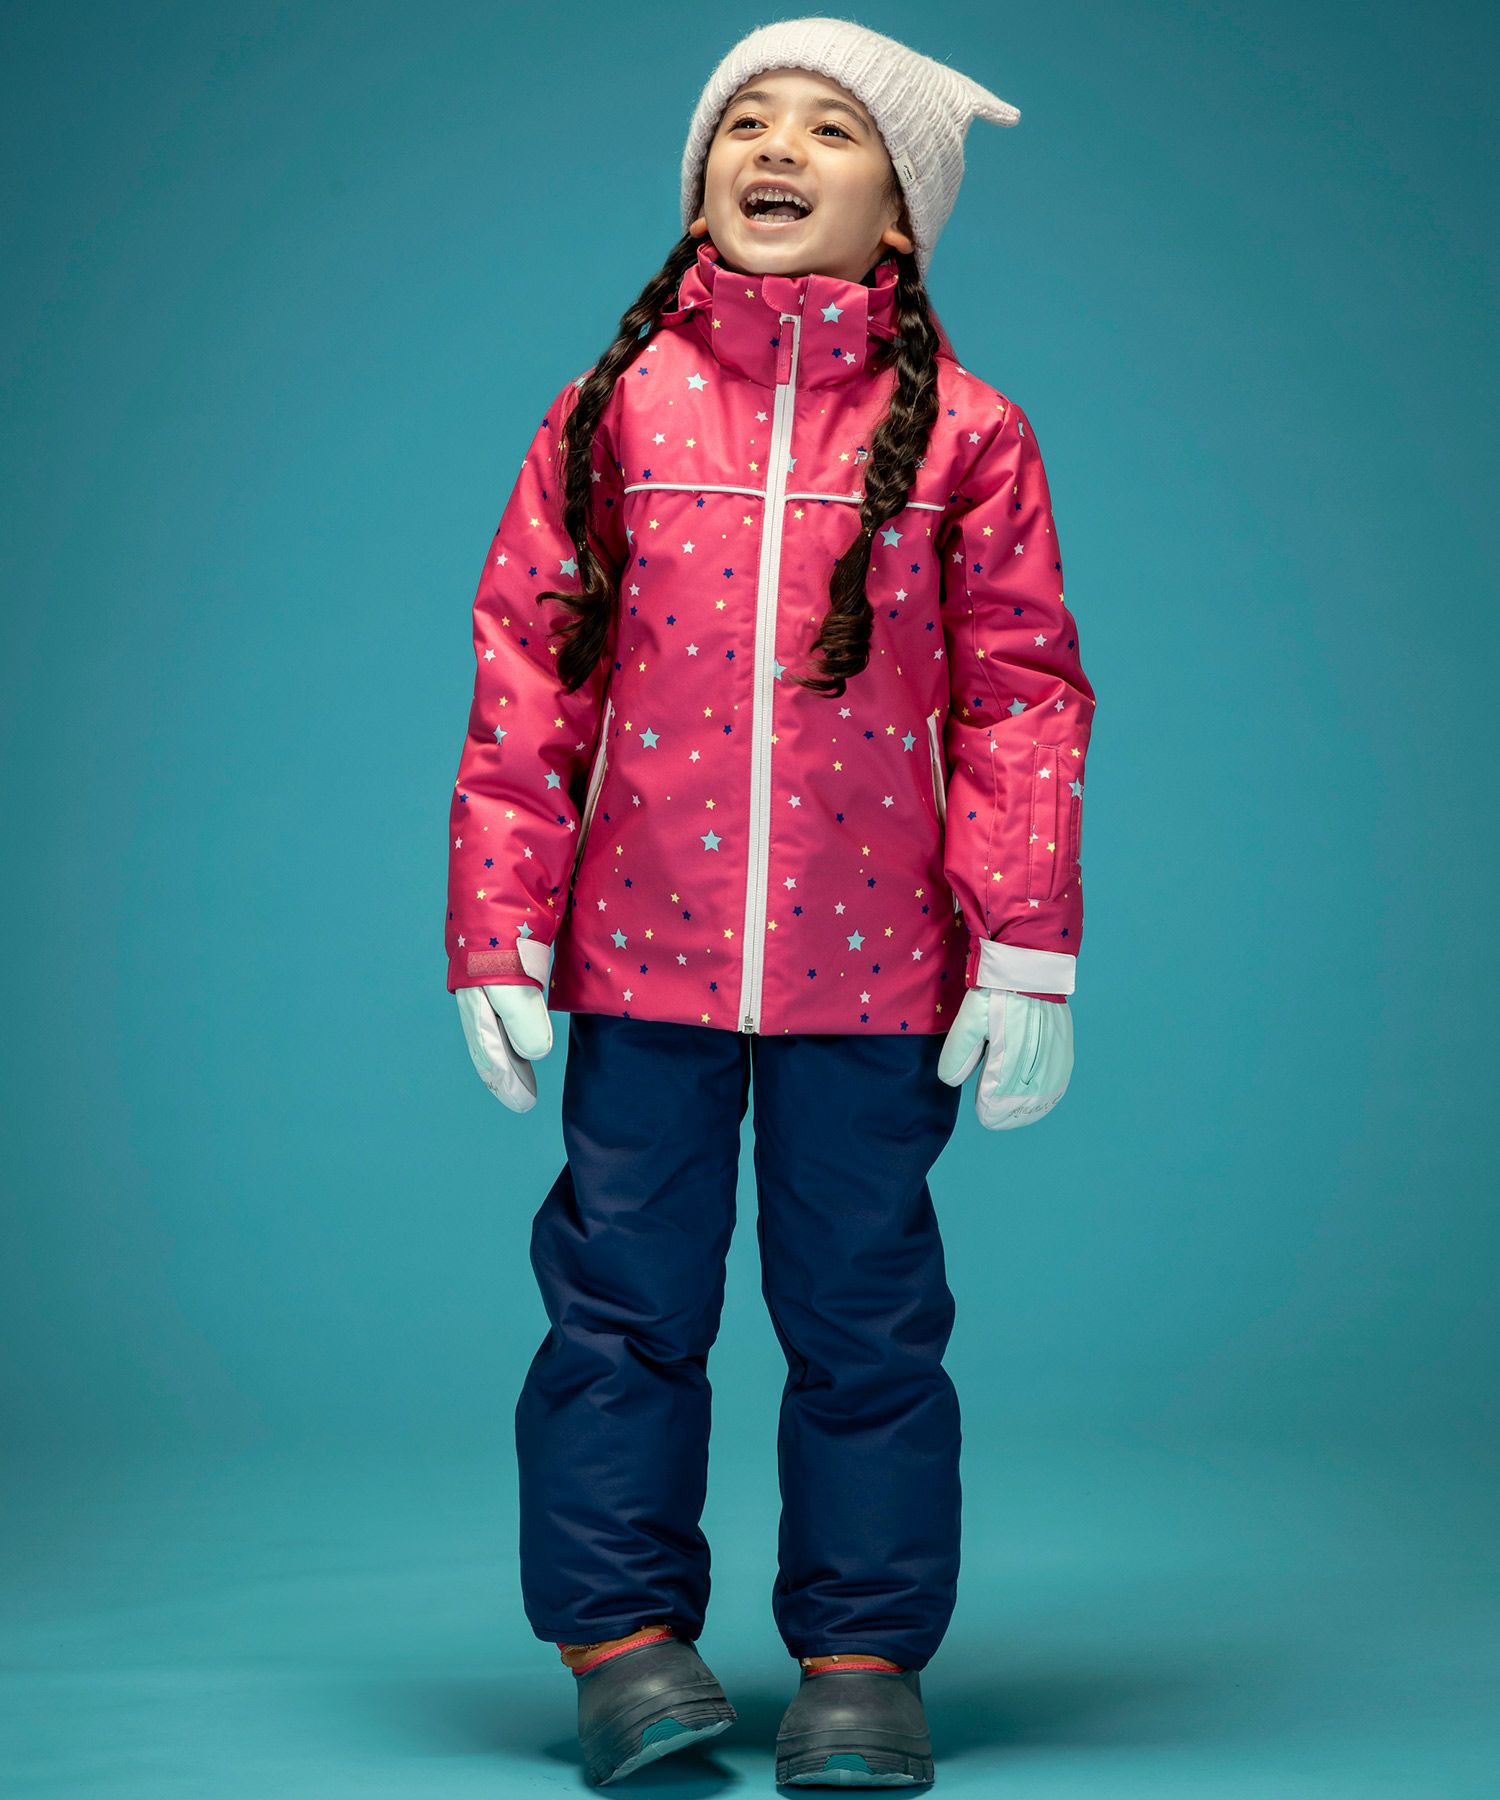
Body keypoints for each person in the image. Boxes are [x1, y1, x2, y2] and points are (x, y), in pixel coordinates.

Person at [442, 16, 1098, 1787]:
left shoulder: (973, 435)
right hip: (638, 963)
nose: (777, 148)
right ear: (700, 181)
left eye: (829, 127)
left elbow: (1021, 696)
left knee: (867, 1320)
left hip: (876, 977)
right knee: (619, 1309)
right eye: (746, 119)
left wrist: (1027, 947)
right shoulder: (612, 412)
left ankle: (863, 1658)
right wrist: (497, 922)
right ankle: (622, 1645)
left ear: (902, 209)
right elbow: (530, 672)